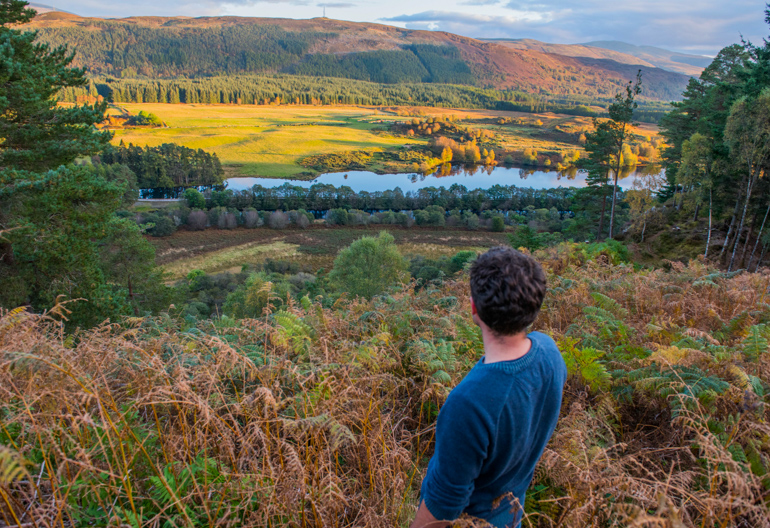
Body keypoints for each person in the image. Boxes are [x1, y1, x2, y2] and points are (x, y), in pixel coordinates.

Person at [410, 246, 567, 528]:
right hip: (511, 518)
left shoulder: (468, 403)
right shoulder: (549, 352)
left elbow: (442, 508)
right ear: (535, 304)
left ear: (473, 308)